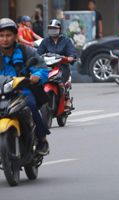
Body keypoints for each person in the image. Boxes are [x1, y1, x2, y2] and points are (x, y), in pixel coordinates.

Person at [0, 18, 50, 155]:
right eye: (1, 35)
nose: (5, 39)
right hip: (1, 94)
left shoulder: (25, 51)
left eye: (8, 35)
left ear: (15, 36)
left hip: (22, 91)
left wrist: (37, 76)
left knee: (32, 106)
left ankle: (42, 139)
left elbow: (42, 68)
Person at [36, 19, 76, 109]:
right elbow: (38, 54)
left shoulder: (66, 41)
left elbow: (72, 54)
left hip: (62, 67)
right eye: (50, 28)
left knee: (60, 80)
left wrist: (69, 58)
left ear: (59, 30)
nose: (52, 30)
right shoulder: (45, 41)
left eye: (54, 28)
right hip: (47, 68)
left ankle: (67, 100)